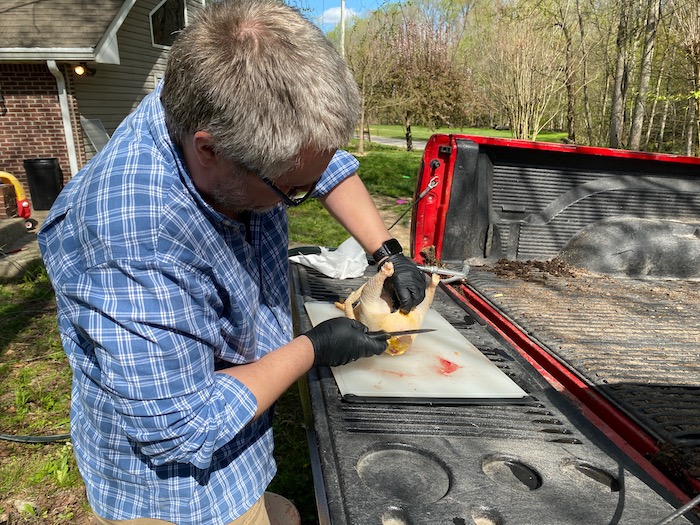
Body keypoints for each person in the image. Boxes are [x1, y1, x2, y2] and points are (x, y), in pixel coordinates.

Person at [38, 1, 426, 524]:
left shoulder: (213, 94)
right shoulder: (132, 239)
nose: (308, 194)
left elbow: (320, 163)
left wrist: (388, 253)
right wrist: (312, 348)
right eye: (294, 192)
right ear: (209, 150)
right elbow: (181, 426)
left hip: (239, 430)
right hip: (175, 491)